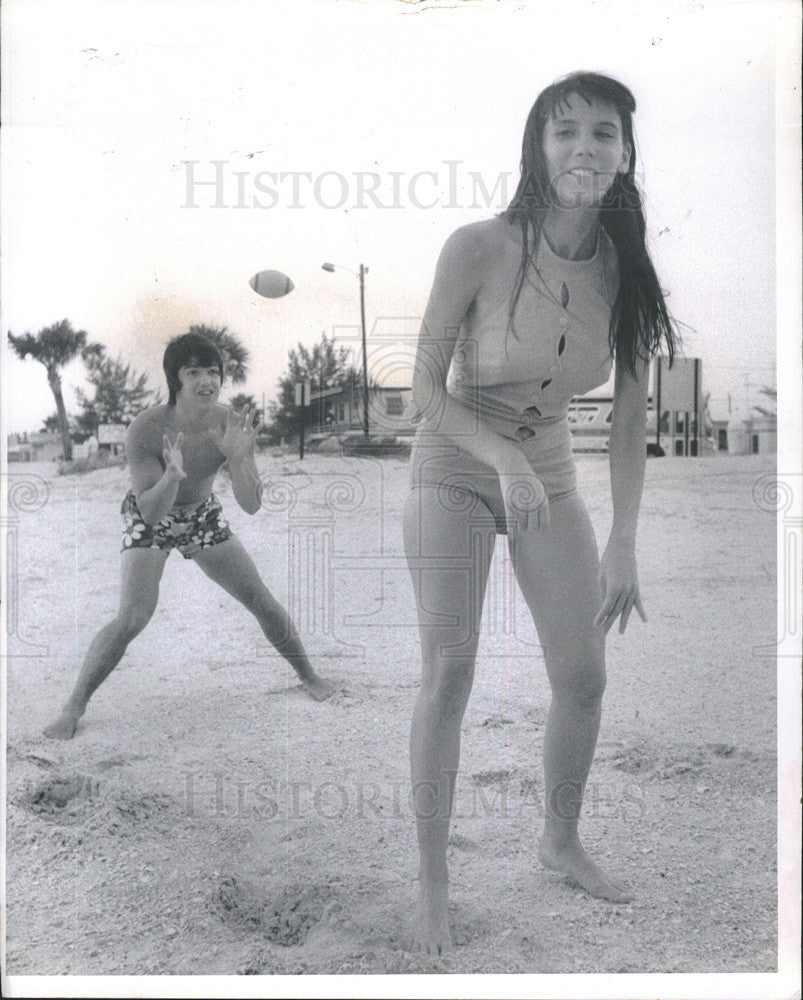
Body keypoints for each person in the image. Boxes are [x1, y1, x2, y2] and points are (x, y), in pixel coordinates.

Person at [403, 71, 678, 953]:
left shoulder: (625, 267)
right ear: (536, 147)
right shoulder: (479, 246)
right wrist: (502, 458)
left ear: (625, 153)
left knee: (584, 676)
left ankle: (559, 843)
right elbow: (421, 390)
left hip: (547, 472)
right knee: (450, 671)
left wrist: (624, 540)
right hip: (456, 463)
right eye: (565, 133)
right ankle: (432, 885)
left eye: (603, 133)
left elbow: (631, 414)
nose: (584, 148)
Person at [43, 333, 333, 740]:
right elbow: (149, 510)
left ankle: (310, 677)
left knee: (260, 599)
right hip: (152, 512)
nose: (206, 380)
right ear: (174, 379)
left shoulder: (229, 424)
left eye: (212, 371)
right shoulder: (146, 428)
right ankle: (73, 707)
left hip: (201, 514)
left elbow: (251, 504)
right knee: (133, 618)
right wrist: (173, 477)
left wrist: (236, 458)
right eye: (193, 371)